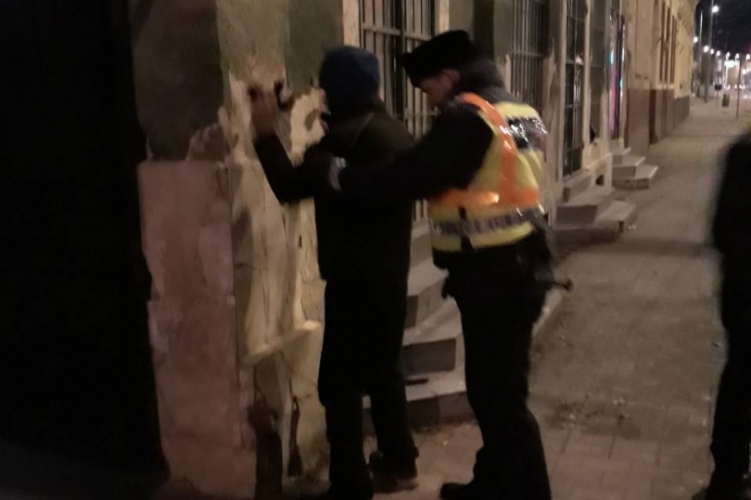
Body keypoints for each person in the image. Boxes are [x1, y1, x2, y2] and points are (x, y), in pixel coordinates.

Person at [317, 31, 555, 500]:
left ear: (449, 77)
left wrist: (343, 179)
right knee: (496, 391)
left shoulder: (468, 116)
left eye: (429, 89)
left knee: (500, 399)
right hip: (520, 264)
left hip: (497, 274)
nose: (429, 100)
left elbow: (413, 175)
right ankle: (494, 482)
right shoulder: (516, 110)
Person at [249, 47, 419, 500]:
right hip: (391, 279)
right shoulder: (397, 132)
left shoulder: (342, 143)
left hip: (353, 285)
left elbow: (288, 185)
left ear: (337, 92)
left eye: (325, 91)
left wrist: (265, 133)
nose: (321, 98)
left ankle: (350, 484)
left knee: (339, 385)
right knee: (385, 372)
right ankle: (401, 462)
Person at [707, 129, 751, 500]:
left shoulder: (742, 152)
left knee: (739, 382)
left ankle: (729, 476)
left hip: (742, 293)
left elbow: (722, 231)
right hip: (744, 293)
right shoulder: (743, 153)